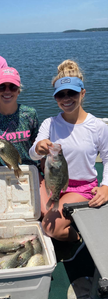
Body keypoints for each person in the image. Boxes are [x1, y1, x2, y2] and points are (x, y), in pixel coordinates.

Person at [29, 59, 108, 262]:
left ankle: (79, 237)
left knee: (49, 227)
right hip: (54, 183)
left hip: (80, 187)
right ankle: (68, 216)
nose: (66, 99)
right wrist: (39, 148)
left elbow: (107, 158)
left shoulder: (98, 127)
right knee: (36, 210)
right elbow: (33, 153)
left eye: (72, 93)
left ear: (82, 93)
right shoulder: (50, 123)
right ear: (55, 98)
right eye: (60, 94)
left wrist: (106, 186)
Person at [0, 66, 39, 167]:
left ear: (18, 91)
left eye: (13, 87)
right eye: (2, 87)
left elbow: (36, 144)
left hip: (30, 167)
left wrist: (41, 166)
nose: (7, 91)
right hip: (1, 169)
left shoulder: (30, 114)